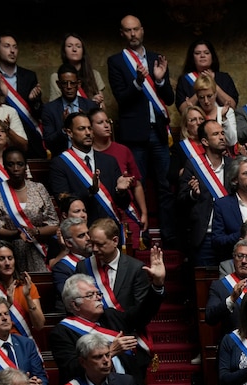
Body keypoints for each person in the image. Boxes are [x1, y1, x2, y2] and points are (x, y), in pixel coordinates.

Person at [107, 15, 175, 246]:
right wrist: (137, 82)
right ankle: (142, 234)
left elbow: (170, 98)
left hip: (158, 133)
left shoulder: (157, 58)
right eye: (128, 30)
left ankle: (168, 234)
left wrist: (160, 81)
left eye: (136, 29)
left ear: (143, 30)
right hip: (134, 135)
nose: (133, 34)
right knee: (138, 185)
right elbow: (121, 99)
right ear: (122, 34)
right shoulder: (116, 62)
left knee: (165, 185)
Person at [50, 259, 164, 385]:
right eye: (90, 295)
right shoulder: (62, 332)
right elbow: (70, 369)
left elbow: (142, 314)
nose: (98, 297)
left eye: (98, 293)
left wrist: (157, 284)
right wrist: (110, 351)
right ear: (75, 304)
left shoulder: (110, 316)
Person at [48, 112, 133, 225]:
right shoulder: (60, 163)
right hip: (81, 231)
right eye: (82, 129)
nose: (88, 133)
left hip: (110, 231)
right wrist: (90, 191)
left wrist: (120, 191)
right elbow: (63, 202)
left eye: (90, 128)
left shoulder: (109, 162)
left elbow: (123, 204)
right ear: (69, 132)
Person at [0, 147, 58, 272]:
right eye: (10, 164)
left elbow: (54, 225)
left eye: (20, 164)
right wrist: (17, 233)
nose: (15, 169)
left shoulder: (38, 188)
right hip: (11, 253)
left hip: (39, 249)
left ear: (26, 166)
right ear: (4, 166)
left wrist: (35, 231)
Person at [88, 108, 148, 246]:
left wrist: (143, 212)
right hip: (103, 212)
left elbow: (136, 184)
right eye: (100, 122)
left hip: (127, 211)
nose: (106, 125)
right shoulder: (87, 156)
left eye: (108, 121)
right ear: (90, 129)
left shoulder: (123, 150)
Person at [178, 119, 231, 266]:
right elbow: (181, 199)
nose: (221, 137)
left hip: (230, 235)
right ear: (205, 141)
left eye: (222, 133)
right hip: (204, 237)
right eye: (215, 134)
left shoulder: (234, 165)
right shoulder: (194, 165)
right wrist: (193, 194)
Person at [0, 240, 45, 338]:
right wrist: (8, 304)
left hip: (26, 345)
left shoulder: (26, 286)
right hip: (1, 346)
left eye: (10, 258)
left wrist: (28, 297)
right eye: (1, 259)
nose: (7, 263)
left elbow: (39, 325)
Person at [0, 32, 44, 159]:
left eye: (15, 47)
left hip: (28, 137)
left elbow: (39, 112)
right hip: (1, 137)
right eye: (7, 46)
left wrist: (33, 101)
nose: (12, 51)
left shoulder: (29, 76)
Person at [41, 65, 99, 158]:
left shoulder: (90, 106)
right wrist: (63, 128)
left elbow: (98, 136)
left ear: (78, 84)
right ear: (58, 84)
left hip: (89, 157)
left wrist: (86, 122)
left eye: (72, 83)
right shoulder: (49, 109)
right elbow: (48, 142)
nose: (69, 87)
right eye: (64, 83)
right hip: (63, 159)